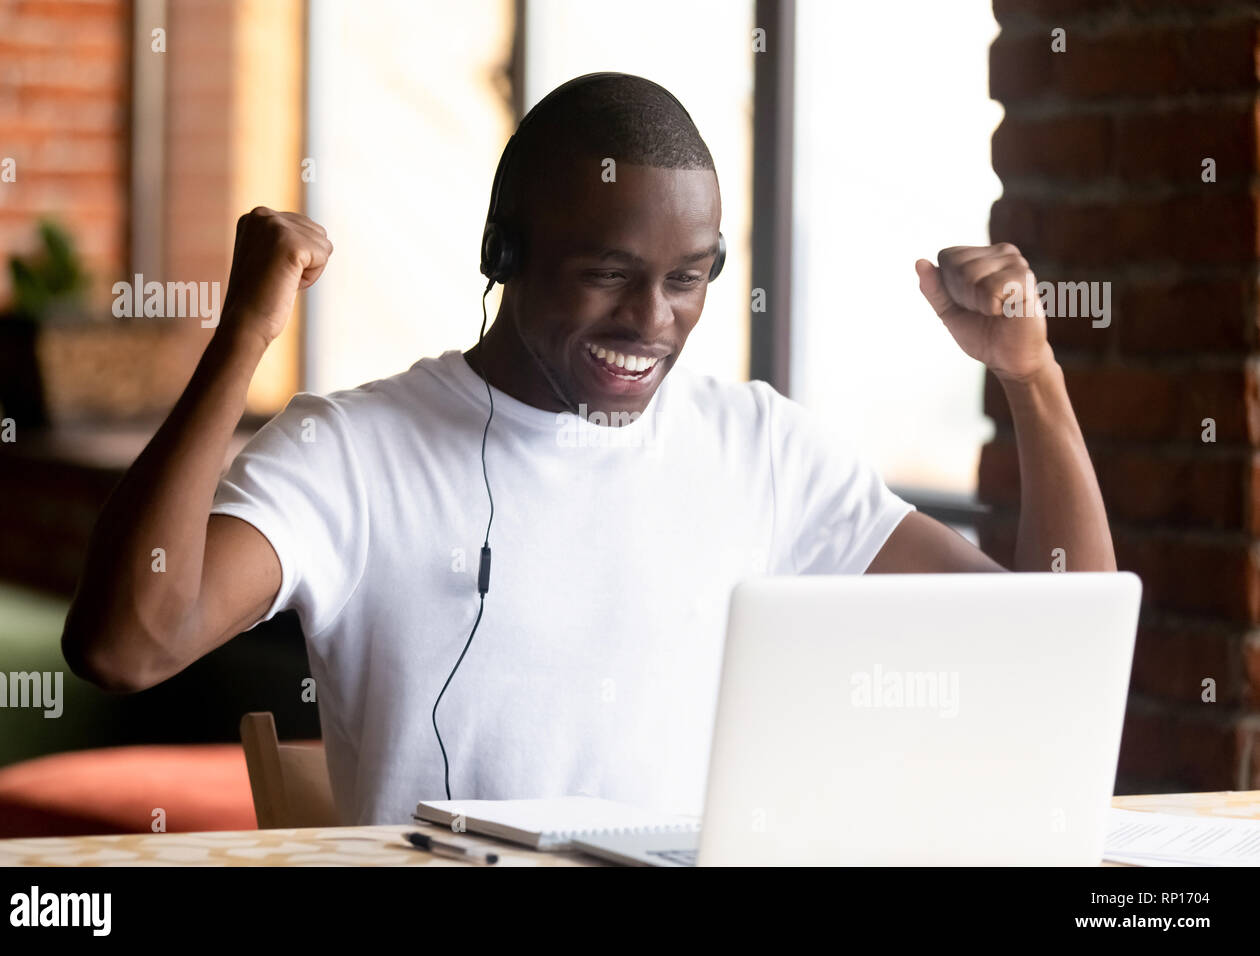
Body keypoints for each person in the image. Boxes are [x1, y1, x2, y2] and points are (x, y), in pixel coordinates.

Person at [62, 74, 1115, 825]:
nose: (650, 321)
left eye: (687, 277)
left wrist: (1031, 379)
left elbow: (1054, 639)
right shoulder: (354, 451)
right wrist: (242, 336)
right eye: (606, 273)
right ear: (504, 255)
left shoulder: (761, 446)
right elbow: (127, 645)